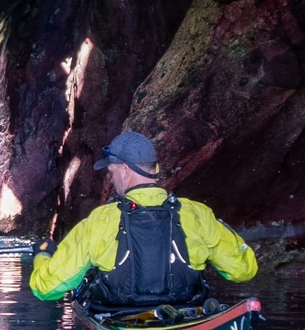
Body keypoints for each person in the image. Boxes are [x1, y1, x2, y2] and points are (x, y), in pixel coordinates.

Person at [28, 131, 257, 310]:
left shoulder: (101, 221)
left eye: (112, 171)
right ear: (155, 169)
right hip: (185, 314)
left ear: (125, 170)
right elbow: (244, 271)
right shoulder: (197, 214)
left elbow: (46, 288)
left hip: (120, 319)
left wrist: (42, 255)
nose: (112, 177)